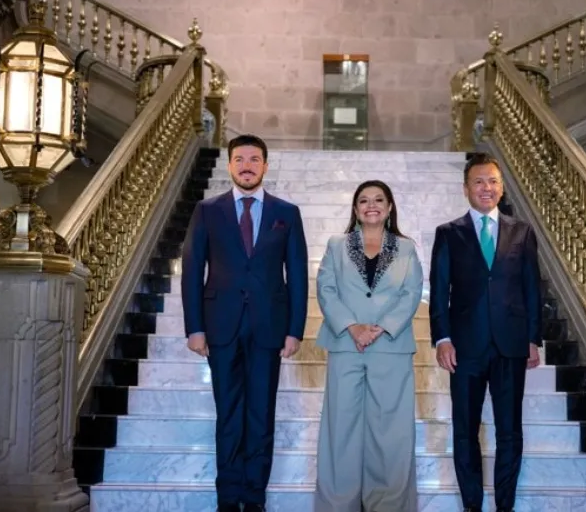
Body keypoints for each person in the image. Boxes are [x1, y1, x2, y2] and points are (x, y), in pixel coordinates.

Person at [181, 134, 309, 512]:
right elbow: (192, 270)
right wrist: (194, 327)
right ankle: (227, 497)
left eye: (255, 159)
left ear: (265, 166)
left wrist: (294, 329)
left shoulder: (287, 213)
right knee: (228, 415)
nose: (247, 165)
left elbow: (298, 274)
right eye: (240, 159)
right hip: (220, 326)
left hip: (269, 328)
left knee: (260, 415)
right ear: (230, 164)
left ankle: (254, 498)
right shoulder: (207, 210)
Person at [429, 153, 542, 512]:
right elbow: (439, 289)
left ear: (502, 186)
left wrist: (533, 338)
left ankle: (505, 505)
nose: (486, 188)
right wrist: (442, 338)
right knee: (465, 431)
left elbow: (531, 288)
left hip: (510, 344)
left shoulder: (522, 232)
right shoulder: (448, 233)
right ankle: (472, 505)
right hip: (465, 347)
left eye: (492, 181)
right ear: (466, 188)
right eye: (479, 181)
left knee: (510, 431)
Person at [313, 180, 423, 512]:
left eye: (378, 199)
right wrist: (353, 327)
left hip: (391, 347)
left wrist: (381, 328)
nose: (371, 205)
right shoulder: (336, 245)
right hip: (347, 345)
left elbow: (411, 293)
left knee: (391, 433)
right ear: (355, 209)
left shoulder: (406, 248)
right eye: (363, 200)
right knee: (340, 430)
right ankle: (338, 504)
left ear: (390, 208)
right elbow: (326, 289)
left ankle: (388, 504)